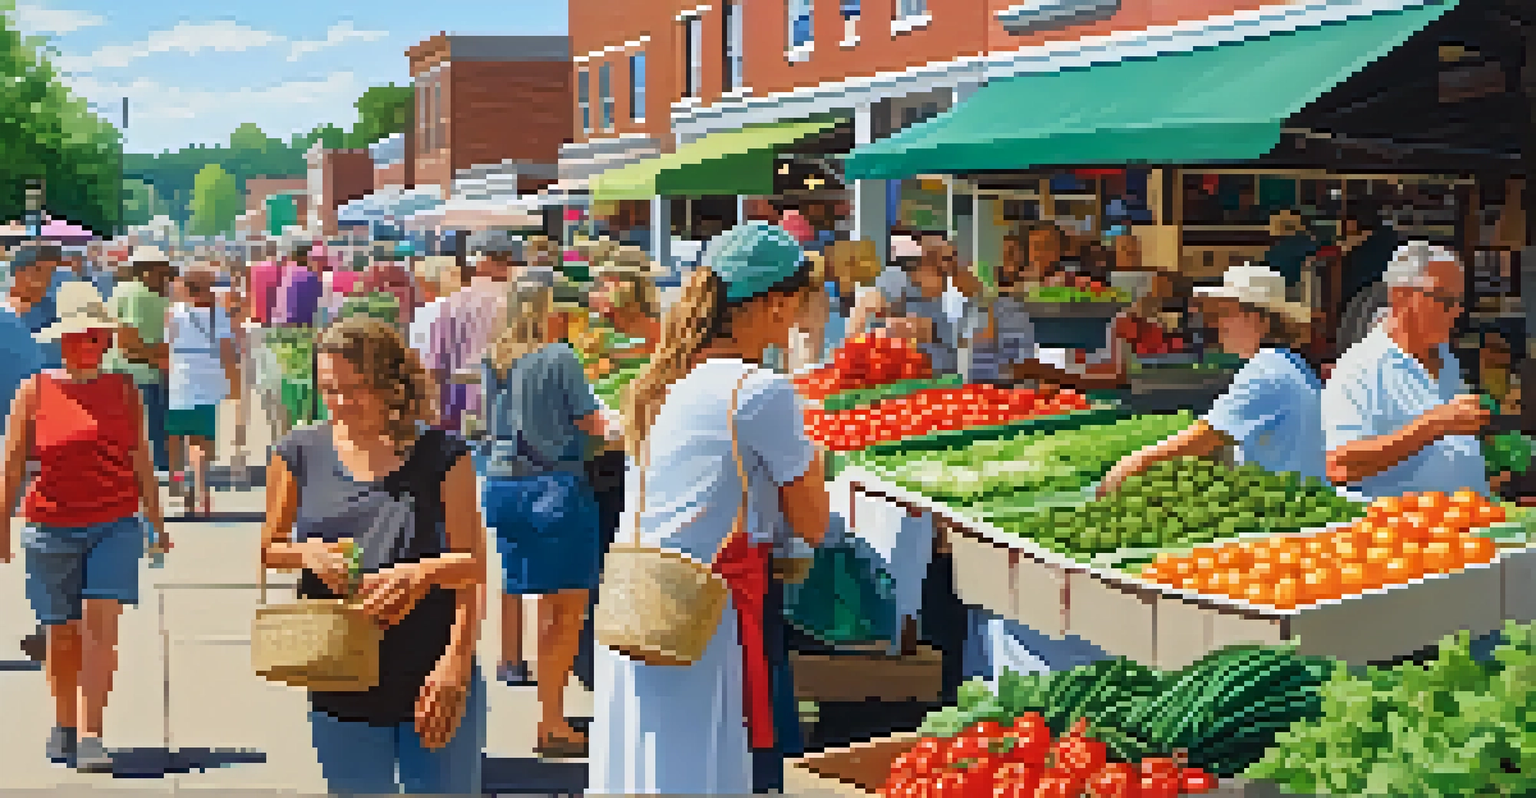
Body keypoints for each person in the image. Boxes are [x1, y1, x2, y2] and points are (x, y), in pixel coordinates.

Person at [589, 221, 830, 795]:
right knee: (706, 771)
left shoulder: (671, 379)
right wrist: (815, 456)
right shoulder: (759, 391)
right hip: (704, 624)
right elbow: (813, 523)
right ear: (774, 304)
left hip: (646, 610)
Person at [258, 316, 487, 795]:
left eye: (355, 388)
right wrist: (307, 554)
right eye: (329, 388)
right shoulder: (298, 452)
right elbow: (270, 548)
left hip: (431, 675)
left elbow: (472, 565)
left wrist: (456, 660)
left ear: (391, 384)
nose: (340, 403)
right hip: (339, 675)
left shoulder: (444, 455)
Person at [0, 281, 167, 772]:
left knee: (100, 626)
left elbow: (141, 457)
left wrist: (156, 521)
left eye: (95, 336)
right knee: (62, 633)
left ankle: (92, 733)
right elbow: (12, 465)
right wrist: (1, 526)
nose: (87, 345)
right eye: (77, 337)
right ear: (60, 342)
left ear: (107, 341)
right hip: (49, 525)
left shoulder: (124, 389)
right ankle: (65, 722)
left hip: (115, 522)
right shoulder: (35, 390)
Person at [472, 270, 608, 756]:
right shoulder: (559, 357)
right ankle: (551, 720)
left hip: (504, 486)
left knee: (542, 605)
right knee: (565, 613)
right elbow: (591, 421)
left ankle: (549, 712)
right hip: (554, 488)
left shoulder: (496, 359)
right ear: (548, 310)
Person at [1100, 264, 1323, 494]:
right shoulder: (1287, 362)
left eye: (1225, 314)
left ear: (1259, 319)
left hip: (1287, 505)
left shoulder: (1266, 371)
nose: (1216, 324)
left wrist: (1130, 466)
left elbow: (1204, 438)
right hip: (1297, 494)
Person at [1322, 242, 1488, 501]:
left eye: (1459, 303)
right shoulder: (1360, 367)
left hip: (1461, 526)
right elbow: (1340, 465)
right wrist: (1434, 423)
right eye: (1445, 300)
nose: (1456, 312)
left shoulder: (1446, 358)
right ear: (1400, 296)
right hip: (1403, 534)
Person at [165, 265, 237, 518]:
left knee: (176, 438)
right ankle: (201, 488)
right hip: (209, 379)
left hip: (181, 378)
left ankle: (178, 480)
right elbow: (228, 353)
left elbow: (167, 346)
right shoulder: (220, 315)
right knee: (201, 441)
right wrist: (234, 383)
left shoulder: (174, 313)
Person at [103, 247, 173, 476]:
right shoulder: (138, 294)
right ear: (144, 272)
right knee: (150, 449)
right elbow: (128, 345)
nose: (166, 280)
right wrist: (161, 357)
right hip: (140, 379)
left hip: (128, 376)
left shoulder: (125, 291)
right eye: (162, 274)